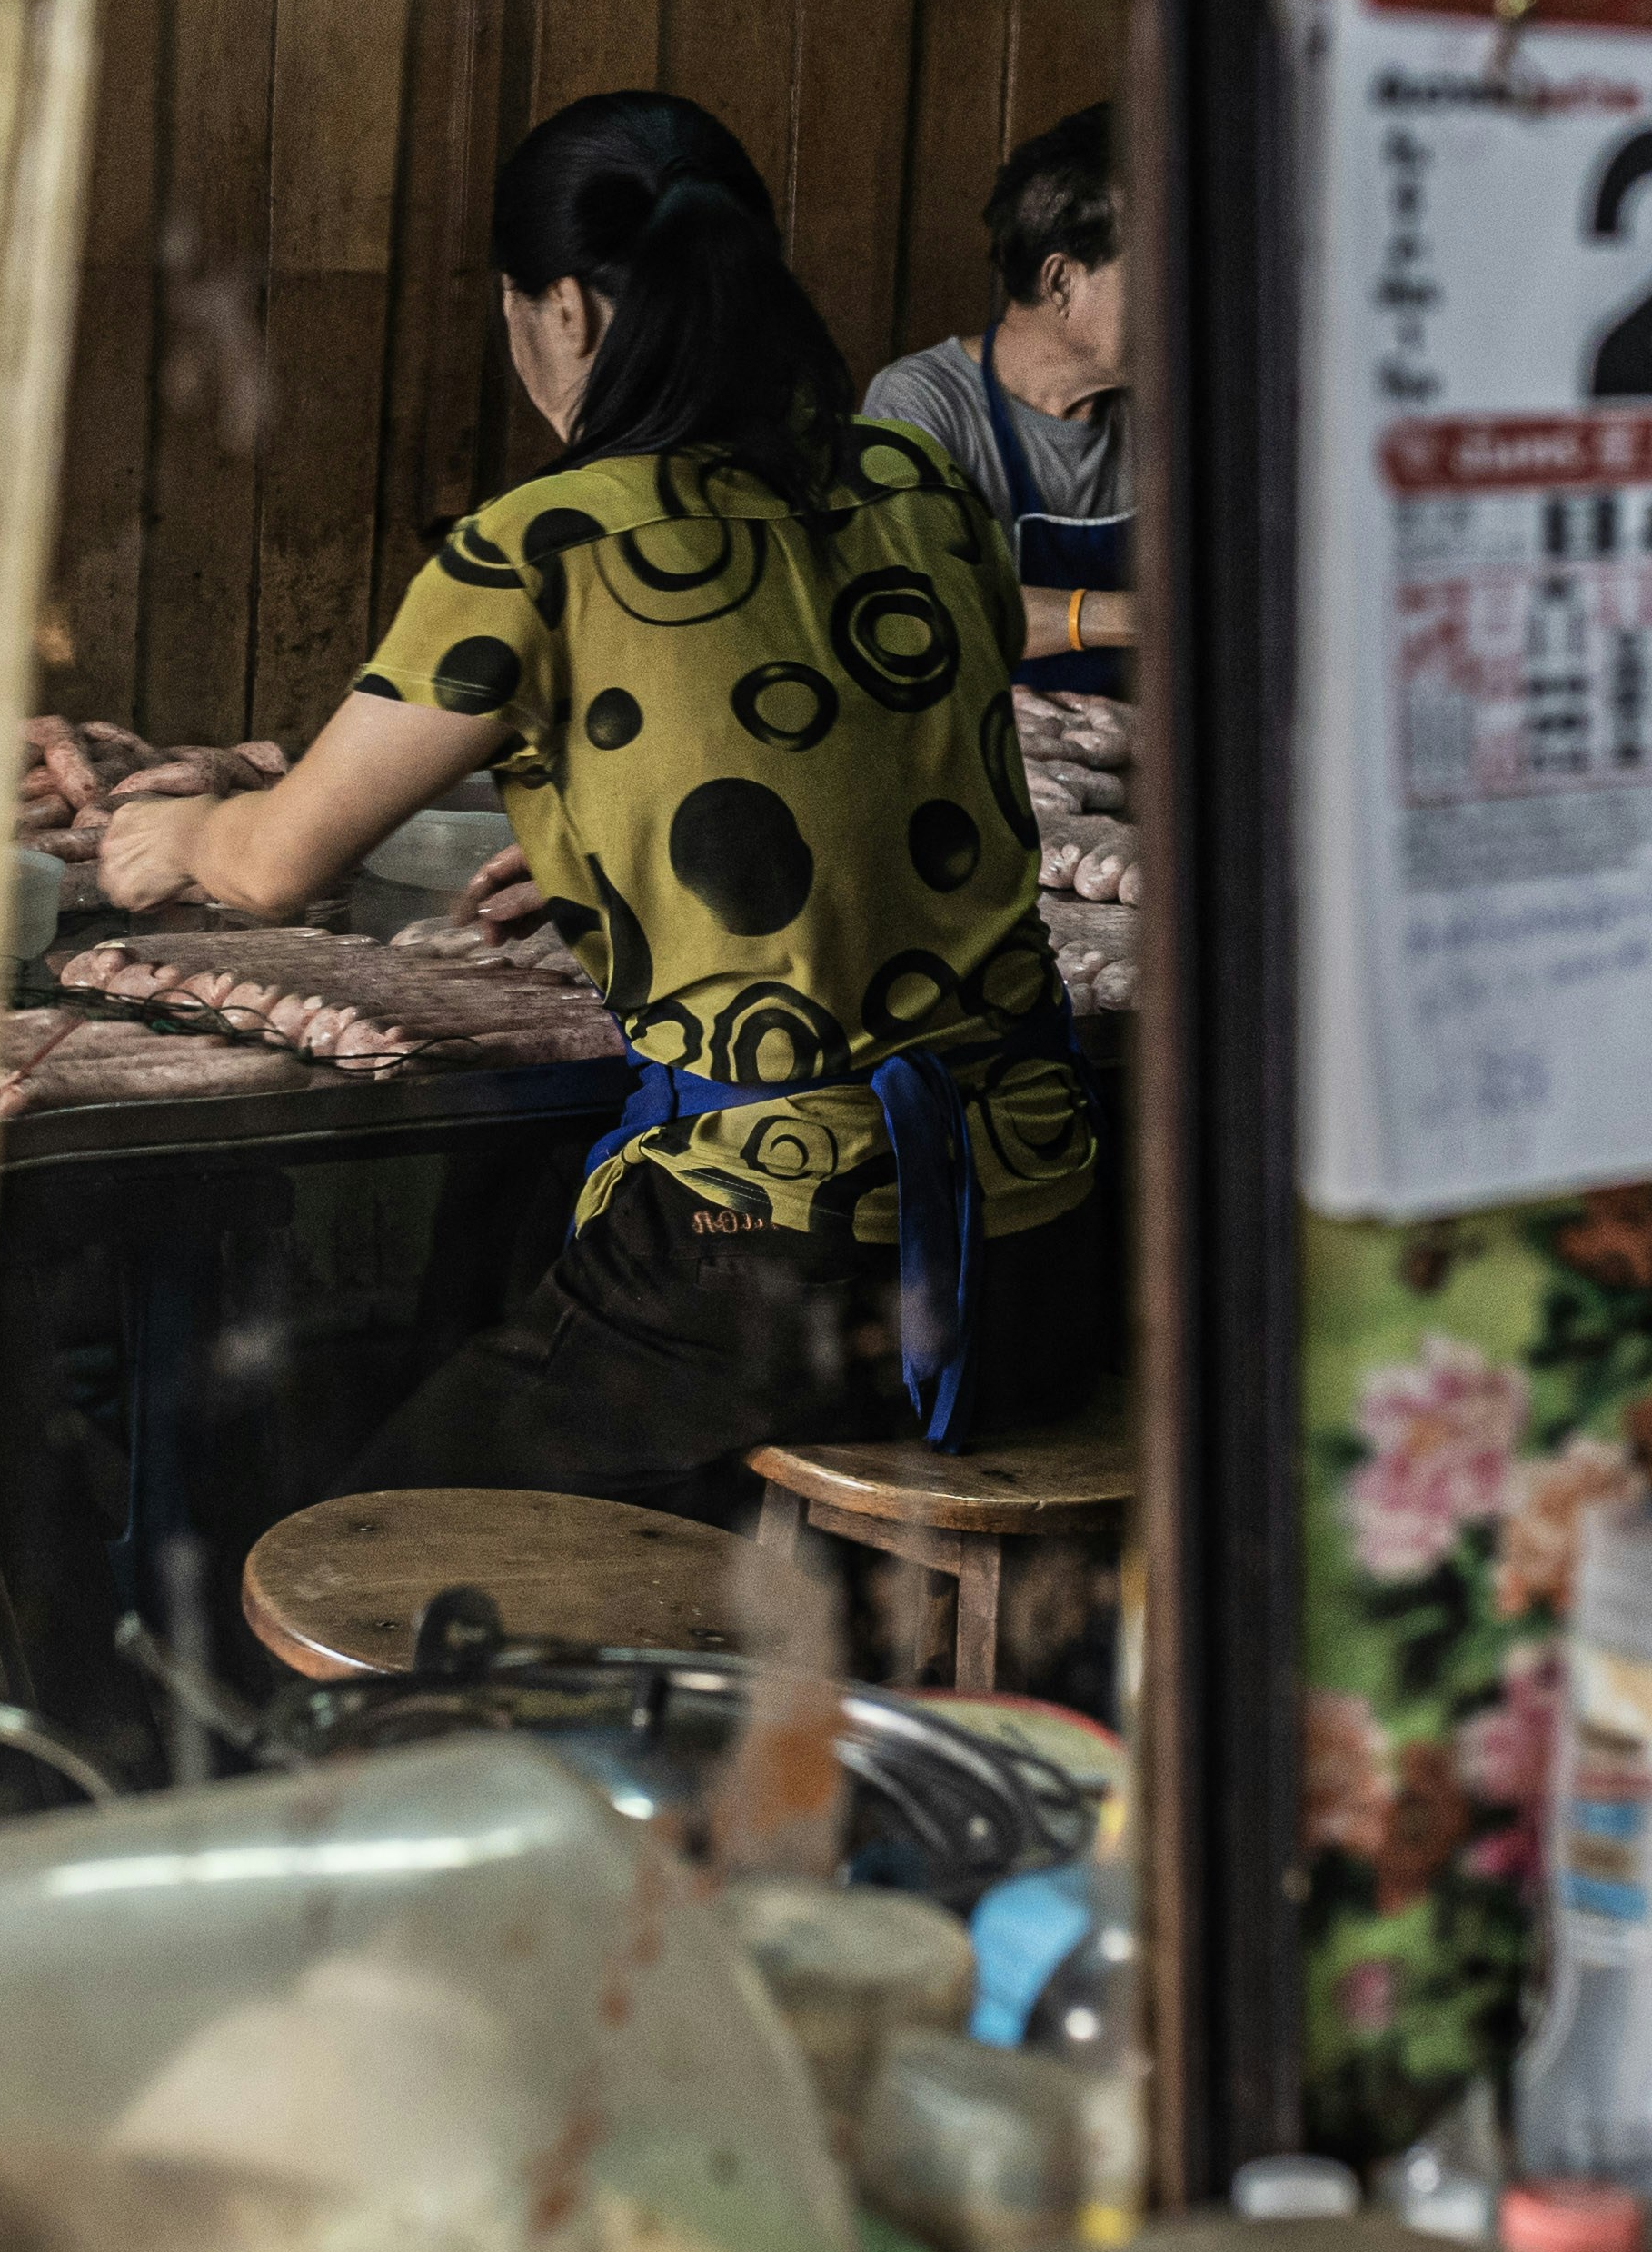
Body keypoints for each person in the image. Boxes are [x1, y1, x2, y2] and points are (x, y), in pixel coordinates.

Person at [95, 90, 1108, 1510]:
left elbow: (272, 865)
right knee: (509, 1286)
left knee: (366, 1541)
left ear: (560, 310)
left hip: (787, 1259)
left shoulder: (542, 546)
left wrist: (179, 832)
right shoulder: (919, 483)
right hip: (1042, 1232)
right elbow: (859, 736)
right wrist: (613, 842)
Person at [859, 106, 1137, 691]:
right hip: (1001, 754)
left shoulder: (1169, 413)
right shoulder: (921, 402)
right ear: (1061, 283)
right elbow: (922, 610)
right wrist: (1137, 618)